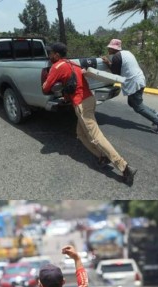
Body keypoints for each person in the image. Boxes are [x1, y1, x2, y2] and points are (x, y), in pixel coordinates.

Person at [42, 42, 137, 185]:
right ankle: (101, 156)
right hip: (89, 99)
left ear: (57, 54)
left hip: (81, 104)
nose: (49, 55)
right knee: (80, 134)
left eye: (50, 53)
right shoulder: (72, 63)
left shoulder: (56, 67)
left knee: (96, 137)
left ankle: (124, 167)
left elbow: (46, 88)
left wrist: (48, 78)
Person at [102, 39, 158, 135]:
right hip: (139, 79)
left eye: (109, 48)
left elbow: (115, 72)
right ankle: (157, 114)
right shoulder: (126, 52)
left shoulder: (116, 57)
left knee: (138, 107)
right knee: (132, 103)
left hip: (134, 82)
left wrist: (107, 63)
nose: (108, 49)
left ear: (113, 49)